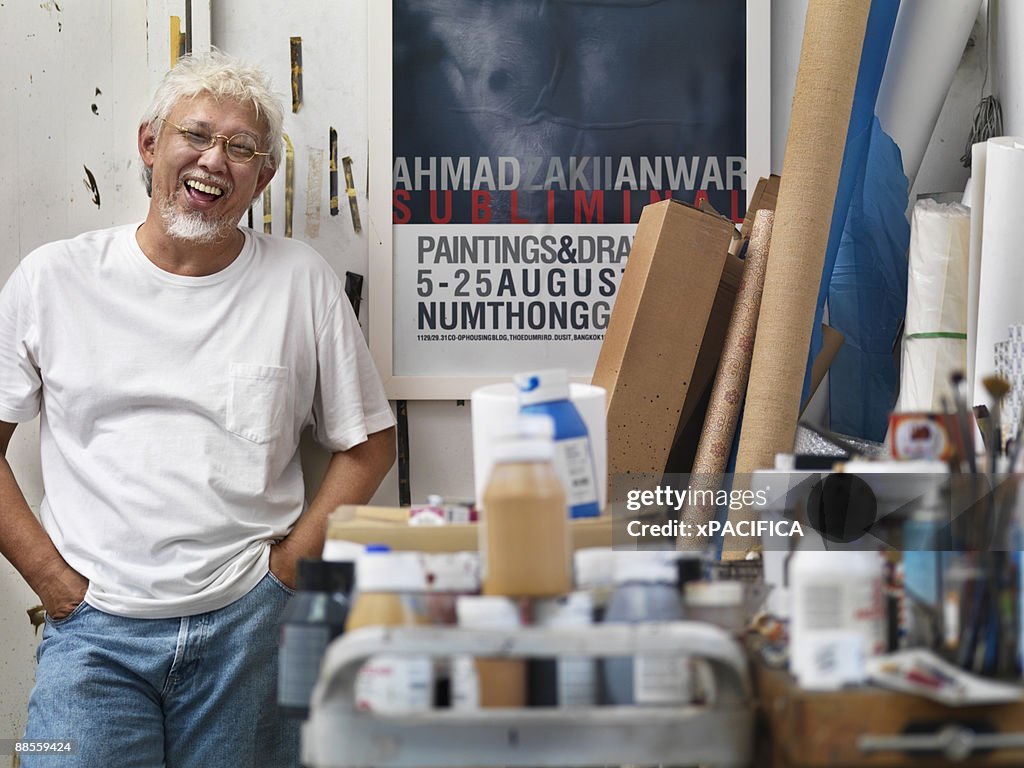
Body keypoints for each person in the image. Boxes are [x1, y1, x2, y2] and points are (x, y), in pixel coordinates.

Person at [0, 50, 396, 767]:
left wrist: (287, 575)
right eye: (197, 134)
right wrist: (53, 585)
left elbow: (369, 442)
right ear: (151, 144)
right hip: (91, 636)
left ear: (263, 176)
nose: (215, 160)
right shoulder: (53, 279)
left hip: (251, 629)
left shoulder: (299, 281)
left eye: (241, 148)